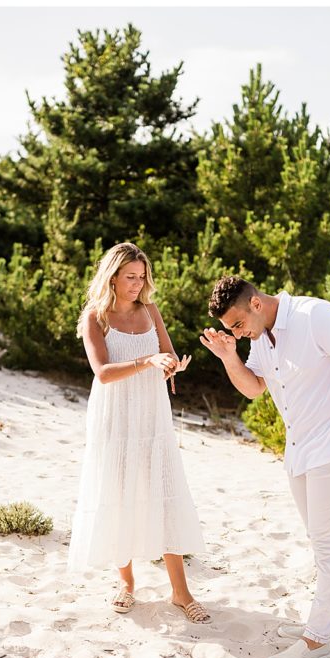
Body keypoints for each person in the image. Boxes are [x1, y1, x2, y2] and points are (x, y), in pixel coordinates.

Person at [201, 276, 330, 658]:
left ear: (256, 304)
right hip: (298, 450)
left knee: (329, 543)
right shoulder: (261, 337)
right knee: (319, 538)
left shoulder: (315, 315)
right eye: (232, 330)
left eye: (238, 325)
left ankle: (317, 641)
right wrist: (229, 355)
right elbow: (255, 388)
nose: (239, 333)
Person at [68, 243, 209, 624]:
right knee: (118, 492)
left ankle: (180, 591)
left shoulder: (150, 310)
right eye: (131, 276)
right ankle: (126, 583)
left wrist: (171, 367)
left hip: (151, 414)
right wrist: (147, 361)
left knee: (163, 493)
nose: (138, 283)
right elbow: (103, 372)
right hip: (114, 415)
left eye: (142, 276)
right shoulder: (95, 317)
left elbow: (166, 354)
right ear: (112, 276)